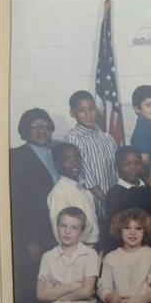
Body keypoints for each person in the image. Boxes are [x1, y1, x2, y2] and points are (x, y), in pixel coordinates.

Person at [10, 108, 58, 303]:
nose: (41, 130)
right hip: (34, 235)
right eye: (34, 126)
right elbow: (18, 205)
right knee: (34, 282)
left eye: (44, 125)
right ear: (24, 131)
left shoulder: (57, 153)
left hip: (58, 230)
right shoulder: (16, 157)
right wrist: (30, 240)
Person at [35, 208, 99, 303]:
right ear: (57, 227)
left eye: (74, 227)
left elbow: (86, 292)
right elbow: (41, 294)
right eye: (63, 226)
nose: (67, 231)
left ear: (81, 231)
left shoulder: (90, 255)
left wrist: (55, 292)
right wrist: (73, 285)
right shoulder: (48, 257)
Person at [64, 91, 118, 221]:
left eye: (91, 108)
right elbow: (85, 176)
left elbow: (116, 169)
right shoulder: (73, 139)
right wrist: (106, 200)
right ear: (73, 113)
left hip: (114, 199)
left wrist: (118, 198)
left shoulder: (106, 137)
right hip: (93, 203)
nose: (88, 114)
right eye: (81, 110)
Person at [46, 143, 100, 245]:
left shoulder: (82, 187)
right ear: (57, 165)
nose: (73, 162)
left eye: (76, 158)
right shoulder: (59, 193)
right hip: (76, 251)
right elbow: (60, 232)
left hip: (92, 248)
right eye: (67, 159)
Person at [103, 146, 151, 252]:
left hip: (146, 248)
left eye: (137, 163)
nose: (133, 167)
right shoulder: (114, 193)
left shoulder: (149, 191)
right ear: (117, 167)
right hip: (123, 249)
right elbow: (113, 228)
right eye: (127, 164)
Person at [130, 84, 151, 180]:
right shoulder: (143, 131)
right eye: (149, 105)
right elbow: (145, 166)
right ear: (137, 109)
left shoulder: (150, 128)